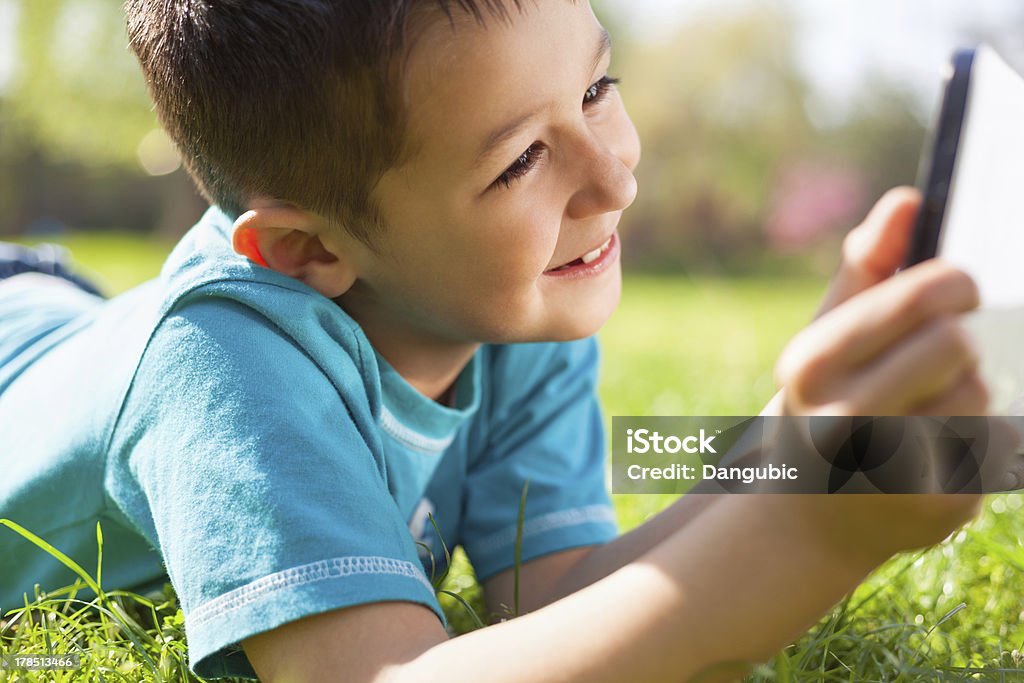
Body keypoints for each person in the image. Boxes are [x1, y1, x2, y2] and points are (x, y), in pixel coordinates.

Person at [0, 1, 1009, 681]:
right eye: (523, 156)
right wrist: (809, 533)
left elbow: (563, 590)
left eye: (596, 91)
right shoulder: (222, 362)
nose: (613, 179)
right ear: (309, 247)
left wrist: (794, 449)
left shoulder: (508, 305)